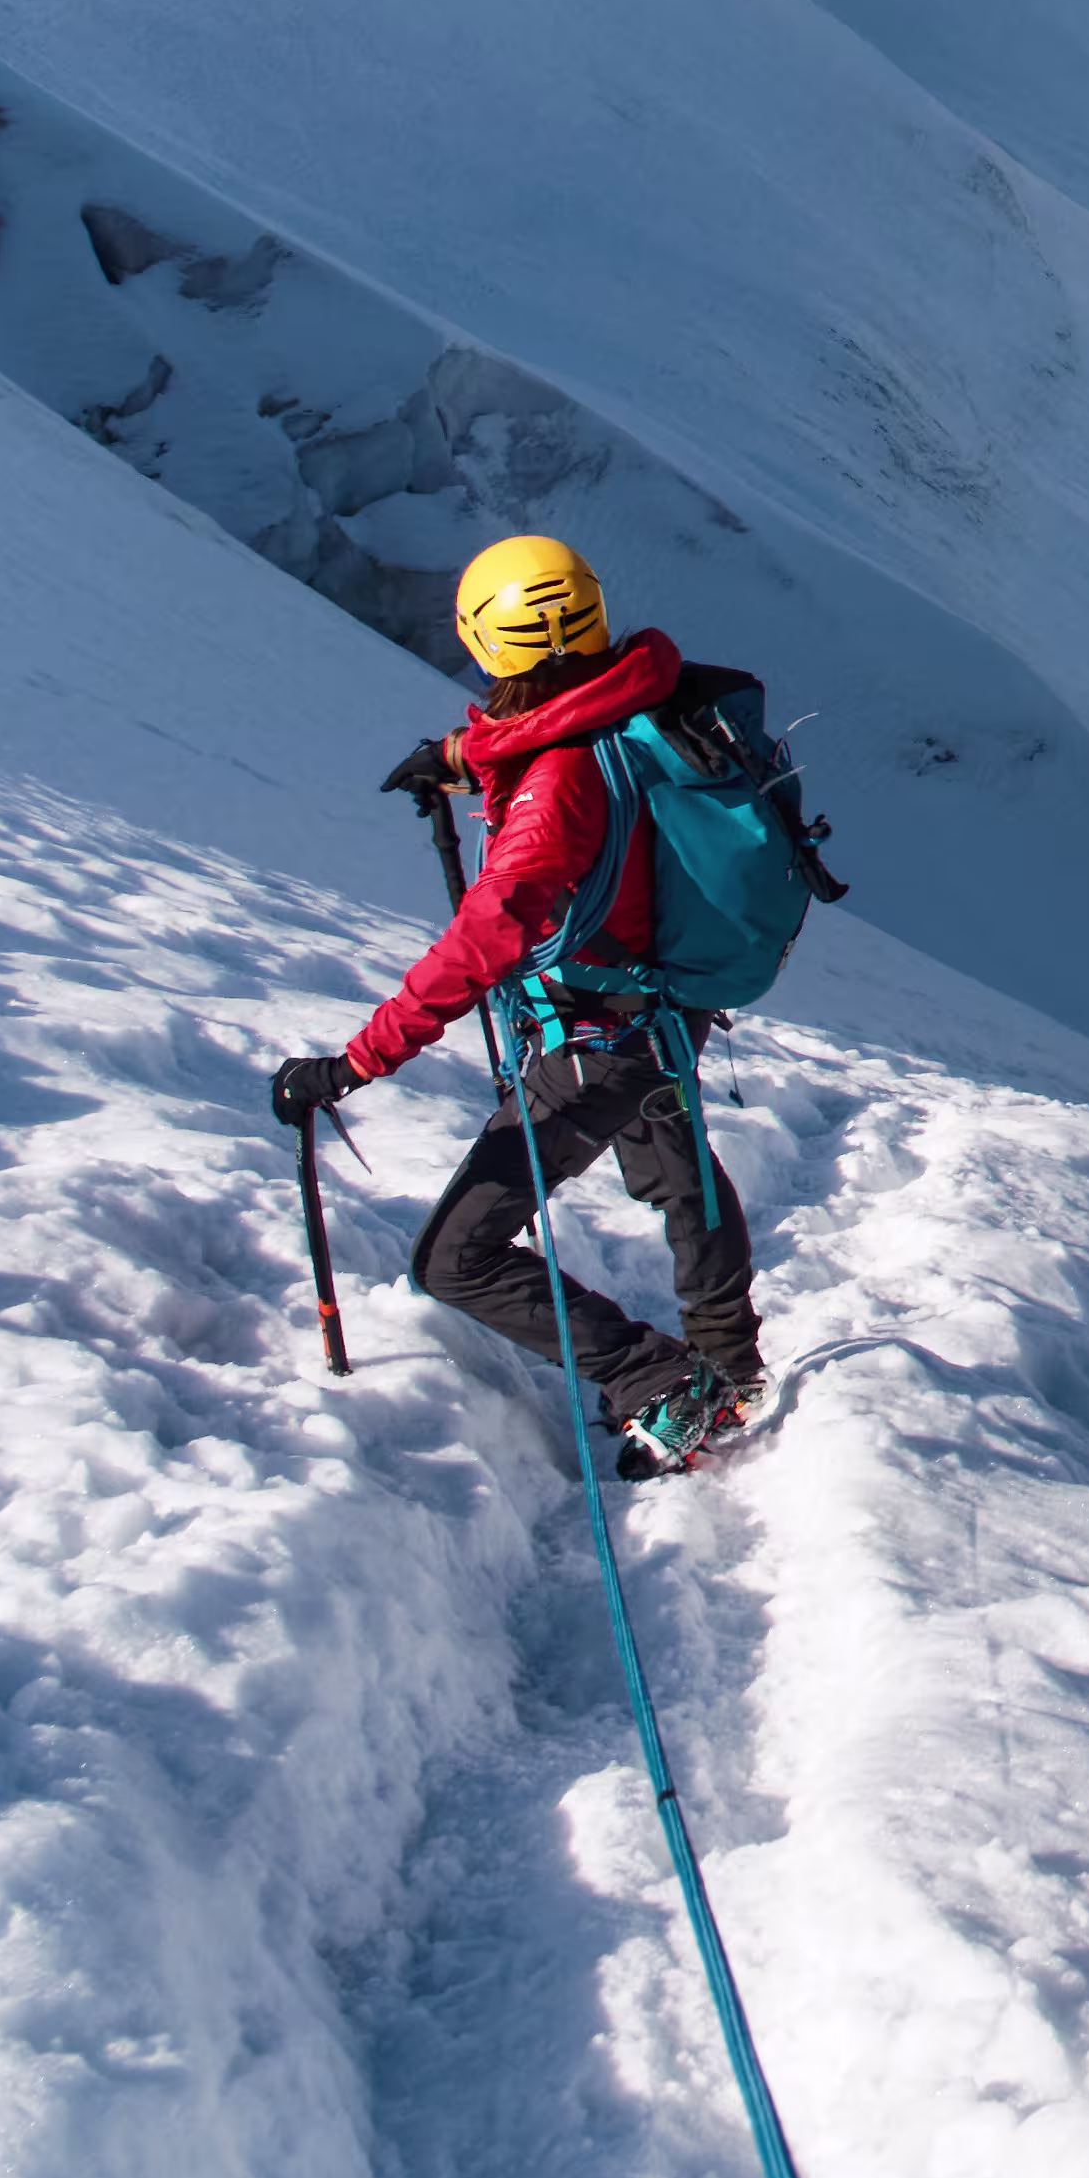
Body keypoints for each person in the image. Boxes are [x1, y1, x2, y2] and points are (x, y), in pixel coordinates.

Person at [270, 534, 767, 1478]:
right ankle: (728, 1367)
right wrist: (465, 756)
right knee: (677, 1170)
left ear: (484, 640)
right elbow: (568, 721)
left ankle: (659, 1382)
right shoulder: (642, 693)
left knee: (454, 1259)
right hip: (663, 1001)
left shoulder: (560, 779)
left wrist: (354, 1065)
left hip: (601, 1028)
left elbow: (487, 932)